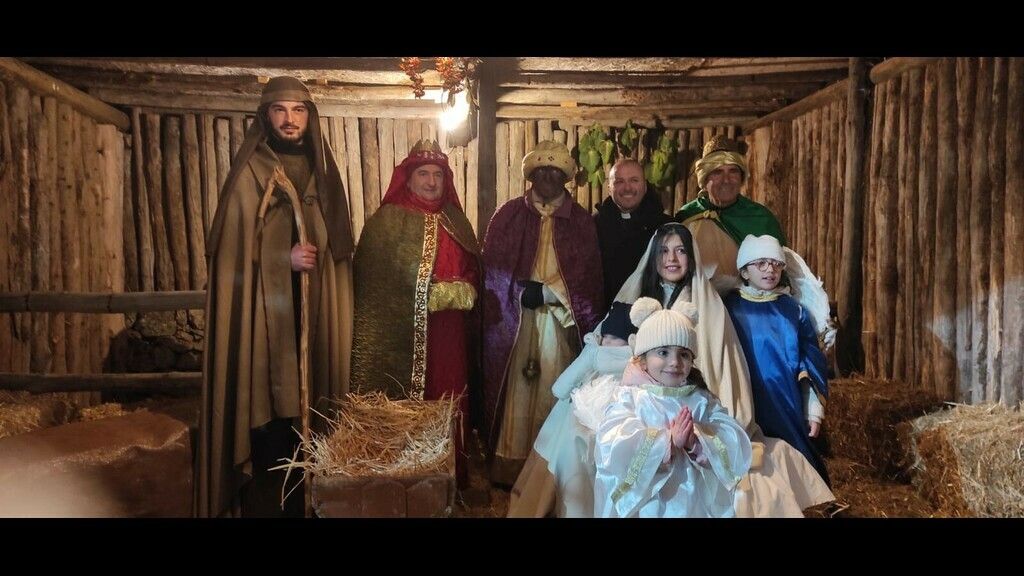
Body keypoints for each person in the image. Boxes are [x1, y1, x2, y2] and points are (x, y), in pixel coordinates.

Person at [198, 76, 354, 517]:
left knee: (313, 412)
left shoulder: (325, 174)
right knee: (271, 419)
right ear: (266, 116)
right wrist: (281, 258)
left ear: (309, 117)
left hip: (315, 311)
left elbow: (339, 252)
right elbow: (232, 253)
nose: (290, 119)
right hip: (264, 319)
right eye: (280, 110)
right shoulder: (250, 172)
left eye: (298, 110)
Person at [609, 223, 834, 517]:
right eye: (663, 251)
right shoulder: (640, 298)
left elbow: (719, 357)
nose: (672, 259)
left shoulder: (708, 303)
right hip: (646, 395)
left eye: (680, 251)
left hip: (691, 393)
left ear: (691, 256)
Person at [350, 139, 480, 488]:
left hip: (450, 332)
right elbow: (376, 282)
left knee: (449, 395)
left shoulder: (455, 220)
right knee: (410, 401)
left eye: (438, 174)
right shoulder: (386, 222)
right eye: (423, 173)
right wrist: (424, 293)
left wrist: (465, 289)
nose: (431, 181)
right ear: (408, 178)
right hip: (402, 336)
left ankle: (449, 477)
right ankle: (404, 479)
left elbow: (472, 269)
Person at [481, 140, 605, 485]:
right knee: (516, 394)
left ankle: (546, 475)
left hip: (559, 324)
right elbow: (493, 271)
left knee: (554, 389)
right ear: (531, 175)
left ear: (566, 177)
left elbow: (587, 277)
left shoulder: (581, 222)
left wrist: (551, 293)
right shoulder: (507, 215)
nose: (548, 176)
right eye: (542, 170)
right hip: (516, 323)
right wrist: (519, 293)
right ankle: (510, 467)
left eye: (556, 170)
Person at [590, 297, 752, 518]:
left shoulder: (701, 399)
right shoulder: (632, 397)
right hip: (651, 502)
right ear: (643, 359)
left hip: (694, 500)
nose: (675, 362)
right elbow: (611, 440)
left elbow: (730, 433)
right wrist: (667, 442)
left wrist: (697, 441)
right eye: (663, 352)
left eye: (683, 354)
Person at [675, 135, 835, 348]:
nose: (726, 179)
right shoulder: (686, 217)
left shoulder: (760, 218)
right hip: (697, 312)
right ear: (704, 178)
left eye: (733, 171)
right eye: (717, 172)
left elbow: (783, 271)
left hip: (749, 315)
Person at [506, 301, 635, 517]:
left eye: (614, 338)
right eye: (605, 337)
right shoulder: (620, 364)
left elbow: (561, 388)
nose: (606, 342)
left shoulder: (601, 359)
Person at [725, 235, 830, 484]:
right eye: (760, 263)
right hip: (741, 399)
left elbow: (809, 360)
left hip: (784, 401)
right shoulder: (729, 308)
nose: (769, 270)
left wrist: (813, 409)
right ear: (744, 271)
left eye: (775, 264)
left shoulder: (794, 311)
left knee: (794, 460)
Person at [594, 158, 671, 308]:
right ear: (609, 188)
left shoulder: (666, 227)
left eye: (634, 180)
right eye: (619, 182)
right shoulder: (593, 226)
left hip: (654, 312)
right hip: (605, 313)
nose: (627, 188)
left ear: (645, 186)